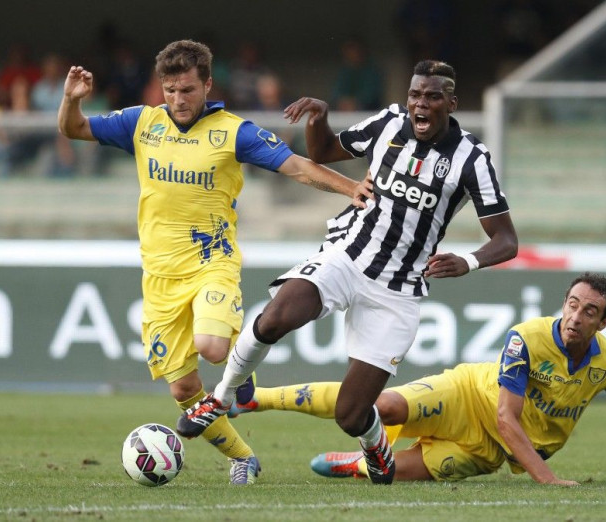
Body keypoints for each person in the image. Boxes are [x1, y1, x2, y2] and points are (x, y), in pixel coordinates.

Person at [177, 59, 519, 485]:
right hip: (346, 255)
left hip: (397, 291)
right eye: (415, 95)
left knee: (351, 414)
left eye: (433, 96)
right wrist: (319, 119)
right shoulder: (389, 123)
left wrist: (467, 261)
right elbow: (322, 152)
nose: (421, 104)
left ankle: (375, 446)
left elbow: (506, 240)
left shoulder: (472, 157)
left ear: (451, 102)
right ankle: (221, 397)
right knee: (276, 315)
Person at [58, 39, 367, 485]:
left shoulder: (232, 131)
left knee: (213, 347)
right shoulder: (140, 123)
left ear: (206, 84)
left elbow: (297, 166)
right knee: (184, 390)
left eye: (186, 90)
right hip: (159, 278)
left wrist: (349, 188)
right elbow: (74, 130)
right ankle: (243, 457)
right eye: (169, 90)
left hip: (211, 263)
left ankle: (240, 371)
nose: (178, 100)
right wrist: (70, 100)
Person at [229, 273, 606, 487]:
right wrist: (547, 481)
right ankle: (258, 399)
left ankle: (355, 465)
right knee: (381, 407)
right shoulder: (527, 338)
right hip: (468, 396)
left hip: (491, 453)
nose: (575, 316)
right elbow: (507, 418)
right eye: (572, 304)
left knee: (392, 475)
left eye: (589, 311)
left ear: (604, 322)